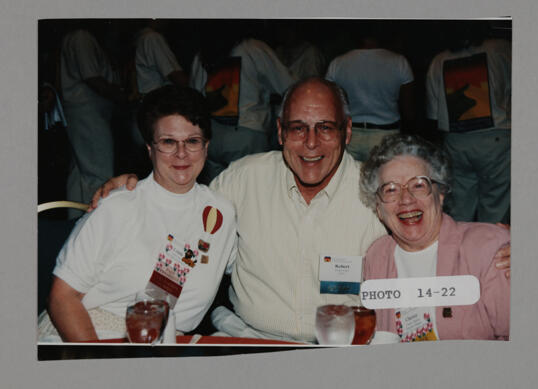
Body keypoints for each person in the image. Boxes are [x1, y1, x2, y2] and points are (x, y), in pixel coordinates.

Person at [90, 78, 511, 343]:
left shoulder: (376, 192)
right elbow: (183, 220)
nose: (311, 144)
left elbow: (433, 230)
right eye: (297, 128)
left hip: (341, 349)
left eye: (325, 128)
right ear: (279, 132)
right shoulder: (242, 180)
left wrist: (505, 245)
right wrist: (135, 188)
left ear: (347, 131)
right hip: (249, 342)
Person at [38, 86, 237, 342]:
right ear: (149, 149)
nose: (181, 153)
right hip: (88, 335)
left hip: (166, 344)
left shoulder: (222, 213)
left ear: (206, 147)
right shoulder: (118, 206)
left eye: (192, 141)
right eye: (168, 142)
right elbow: (61, 297)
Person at [360, 134, 510, 341]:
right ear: (378, 208)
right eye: (391, 189)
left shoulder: (488, 247)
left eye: (418, 185)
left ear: (439, 194)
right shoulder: (376, 256)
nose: (406, 199)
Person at [425, 25, 511, 223]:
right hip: (495, 138)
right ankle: (489, 251)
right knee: (495, 208)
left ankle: (458, 252)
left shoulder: (439, 60)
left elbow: (432, 115)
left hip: (455, 141)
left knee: (459, 210)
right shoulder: (500, 48)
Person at [189, 25, 295, 182]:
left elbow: (194, 95)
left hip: (212, 136)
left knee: (216, 195)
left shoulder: (203, 53)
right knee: (251, 192)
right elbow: (288, 86)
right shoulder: (254, 48)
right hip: (248, 133)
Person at [60, 22, 128, 216]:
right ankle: (96, 221)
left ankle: (74, 221)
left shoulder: (75, 36)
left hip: (82, 110)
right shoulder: (81, 35)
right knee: (98, 171)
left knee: (79, 171)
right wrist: (121, 95)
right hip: (87, 110)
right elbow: (93, 78)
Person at [326, 24, 415, 162]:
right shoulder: (399, 62)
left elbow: (329, 106)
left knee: (349, 182)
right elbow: (408, 110)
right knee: (382, 182)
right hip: (386, 135)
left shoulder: (337, 63)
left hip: (350, 135)